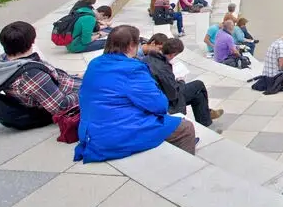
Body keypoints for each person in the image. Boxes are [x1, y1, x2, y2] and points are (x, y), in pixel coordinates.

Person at [74, 26, 195, 162]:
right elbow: (160, 105)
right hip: (113, 136)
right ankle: (185, 169)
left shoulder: (94, 63)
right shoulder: (133, 69)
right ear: (131, 46)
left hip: (89, 132)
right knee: (185, 128)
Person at [0, 21, 82, 129]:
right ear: (32, 41)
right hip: (71, 94)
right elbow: (61, 106)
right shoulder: (31, 75)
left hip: (58, 87)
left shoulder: (3, 62)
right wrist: (87, 90)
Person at [142, 37, 224, 126]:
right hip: (167, 101)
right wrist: (181, 81)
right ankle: (206, 118)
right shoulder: (163, 68)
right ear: (173, 54)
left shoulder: (148, 58)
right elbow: (173, 94)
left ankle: (206, 117)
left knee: (198, 94)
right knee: (198, 85)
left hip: (159, 94)